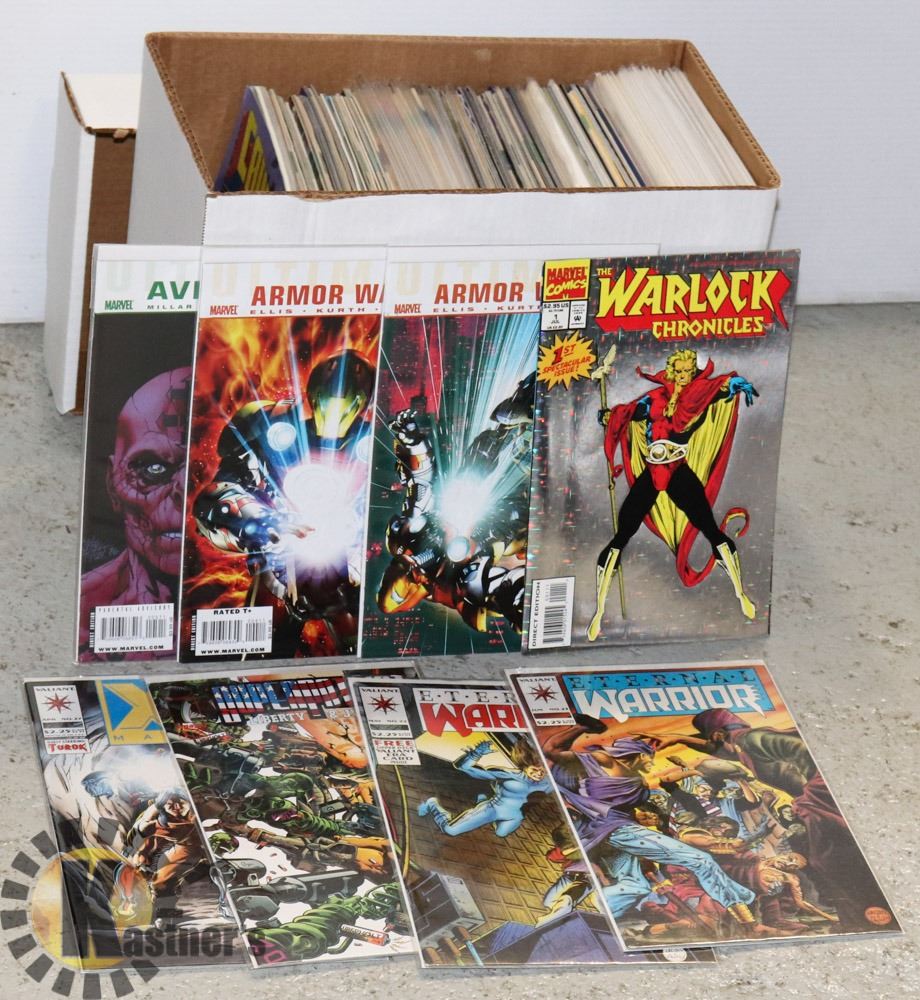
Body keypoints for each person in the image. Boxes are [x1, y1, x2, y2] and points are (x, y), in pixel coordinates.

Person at [542, 715, 766, 935]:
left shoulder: (638, 782)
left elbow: (635, 802)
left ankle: (584, 915)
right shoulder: (603, 760)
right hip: (616, 831)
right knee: (701, 860)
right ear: (639, 755)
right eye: (650, 756)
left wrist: (648, 817)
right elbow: (551, 750)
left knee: (637, 886)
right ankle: (748, 922)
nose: (652, 761)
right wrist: (581, 727)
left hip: (615, 834)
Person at [590, 348, 757, 639]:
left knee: (709, 528)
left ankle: (741, 594)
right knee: (622, 535)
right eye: (678, 372)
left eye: (687, 372)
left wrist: (734, 384)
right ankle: (599, 611)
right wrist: (610, 417)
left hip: (678, 471)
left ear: (693, 373)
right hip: (652, 473)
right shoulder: (655, 399)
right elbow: (631, 413)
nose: (682, 377)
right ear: (670, 372)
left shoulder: (697, 396)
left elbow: (719, 390)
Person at [79, 367, 191, 659]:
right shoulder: (83, 621)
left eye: (211, 472)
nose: (185, 493)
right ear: (112, 485)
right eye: (154, 468)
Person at [418, 738, 552, 838]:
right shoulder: (509, 775)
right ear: (525, 766)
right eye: (535, 769)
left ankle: (482, 799)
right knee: (450, 830)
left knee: (501, 833)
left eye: (542, 770)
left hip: (514, 816)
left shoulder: (548, 782)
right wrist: (476, 754)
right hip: (493, 809)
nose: (539, 774)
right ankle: (432, 804)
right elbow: (464, 768)